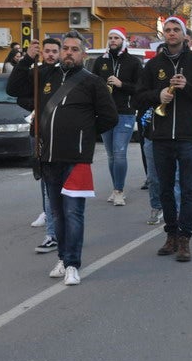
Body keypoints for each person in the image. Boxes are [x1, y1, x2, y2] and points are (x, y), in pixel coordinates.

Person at [7, 31, 118, 286]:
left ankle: (72, 264)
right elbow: (14, 89)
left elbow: (109, 117)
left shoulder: (92, 82)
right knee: (56, 213)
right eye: (65, 48)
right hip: (48, 156)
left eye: (74, 49)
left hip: (77, 158)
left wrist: (84, 134)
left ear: (83, 54)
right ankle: (62, 257)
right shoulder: (47, 74)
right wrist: (27, 59)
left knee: (73, 213)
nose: (68, 52)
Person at [134, 15, 192, 262]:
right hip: (160, 136)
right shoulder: (153, 64)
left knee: (188, 189)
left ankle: (185, 239)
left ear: (183, 34)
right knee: (165, 188)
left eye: (175, 29)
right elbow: (138, 97)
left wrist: (187, 86)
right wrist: (158, 94)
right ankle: (170, 234)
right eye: (167, 30)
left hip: (188, 135)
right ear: (164, 35)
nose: (171, 33)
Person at [91, 27, 143, 206]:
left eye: (116, 38)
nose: (112, 40)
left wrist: (122, 84)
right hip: (105, 114)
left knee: (120, 153)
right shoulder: (100, 62)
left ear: (123, 40)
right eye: (110, 38)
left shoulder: (133, 62)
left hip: (125, 113)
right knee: (111, 155)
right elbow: (92, 85)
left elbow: (140, 88)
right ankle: (115, 188)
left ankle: (119, 191)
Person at [28, 38, 62, 254]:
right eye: (46, 51)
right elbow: (16, 91)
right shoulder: (36, 73)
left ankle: (62, 232)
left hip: (61, 138)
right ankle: (52, 230)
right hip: (39, 134)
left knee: (63, 191)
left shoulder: (66, 76)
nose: (50, 54)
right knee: (46, 187)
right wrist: (26, 60)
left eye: (54, 51)